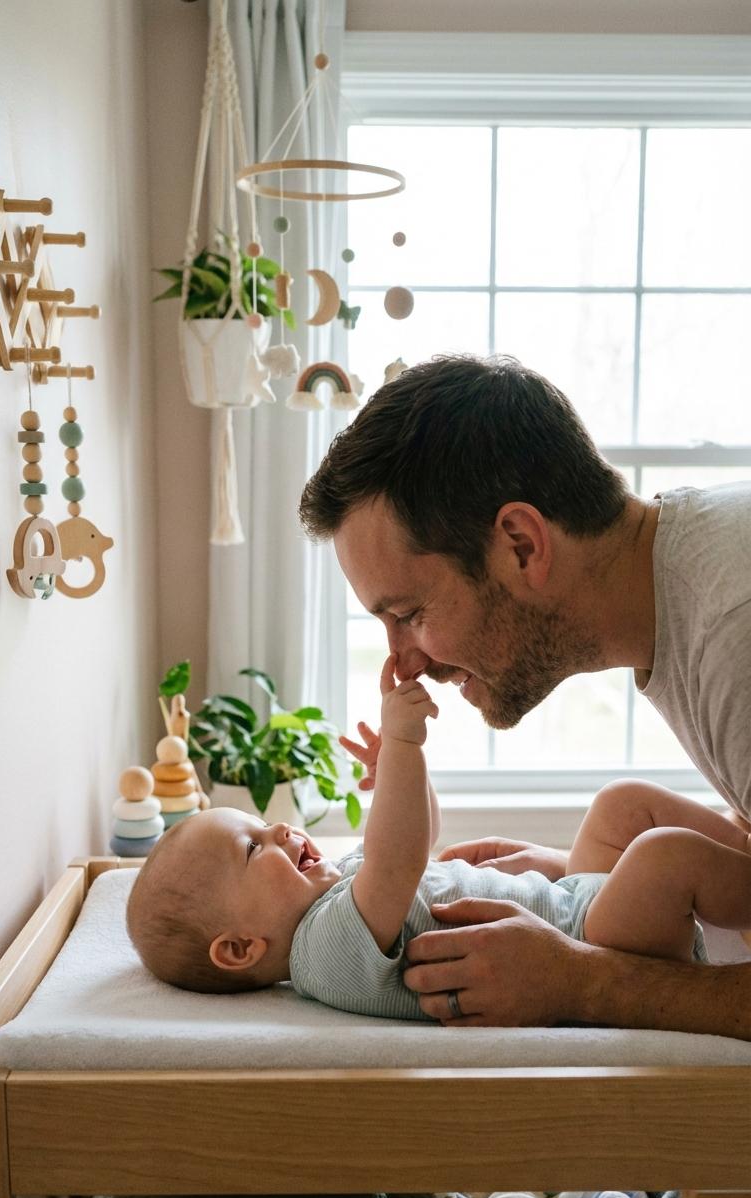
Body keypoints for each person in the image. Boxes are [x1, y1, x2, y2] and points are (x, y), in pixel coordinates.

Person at [298, 353, 751, 1039]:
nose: (404, 662)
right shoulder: (692, 585)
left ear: (519, 543)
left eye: (410, 613)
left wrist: (580, 979)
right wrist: (571, 885)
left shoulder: (733, 633)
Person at [126, 659, 751, 1020]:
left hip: (575, 899)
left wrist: (396, 782)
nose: (280, 828)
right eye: (254, 847)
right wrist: (402, 747)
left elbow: (417, 841)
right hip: (594, 938)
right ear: (239, 948)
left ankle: (739, 850)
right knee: (660, 856)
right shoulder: (321, 954)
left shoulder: (336, 891)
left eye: (262, 823)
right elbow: (397, 863)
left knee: (619, 805)